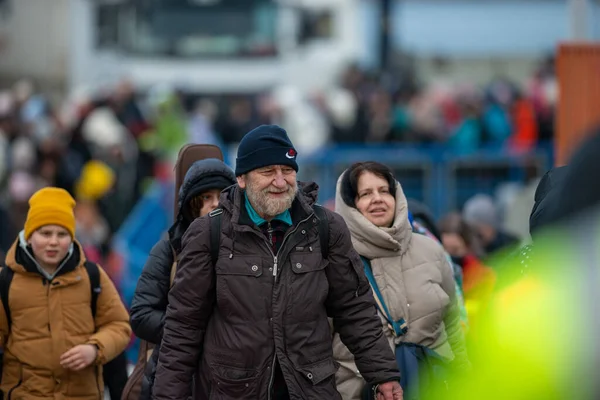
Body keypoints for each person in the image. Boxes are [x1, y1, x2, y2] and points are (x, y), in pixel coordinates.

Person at [152, 125, 402, 400]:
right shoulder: (208, 233)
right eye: (268, 172)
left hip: (310, 390)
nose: (281, 181)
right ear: (242, 179)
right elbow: (183, 327)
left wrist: (383, 376)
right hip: (234, 391)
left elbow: (355, 310)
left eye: (287, 170)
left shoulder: (325, 228)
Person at [333, 162, 470, 400]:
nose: (377, 199)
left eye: (384, 190)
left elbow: (453, 325)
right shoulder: (334, 262)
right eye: (365, 194)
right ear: (350, 205)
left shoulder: (431, 251)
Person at [0, 187, 131, 399]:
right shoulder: (7, 280)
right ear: (29, 235)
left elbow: (119, 325)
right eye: (45, 233)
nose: (53, 241)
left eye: (62, 234)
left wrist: (95, 349)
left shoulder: (92, 276)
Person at [129, 158, 236, 399]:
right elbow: (141, 314)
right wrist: (191, 332)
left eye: (221, 196)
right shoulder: (169, 249)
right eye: (206, 198)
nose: (215, 204)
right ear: (191, 206)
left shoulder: (248, 248)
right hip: (178, 374)